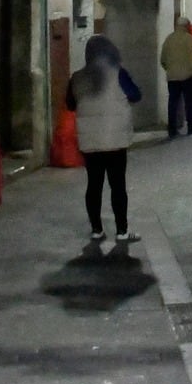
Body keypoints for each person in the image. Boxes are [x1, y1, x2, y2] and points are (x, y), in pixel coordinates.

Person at [66, 35, 140, 244]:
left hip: (90, 142)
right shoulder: (118, 73)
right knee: (118, 186)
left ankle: (97, 229)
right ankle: (122, 231)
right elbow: (135, 95)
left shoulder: (77, 78)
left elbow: (70, 104)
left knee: (94, 185)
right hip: (115, 140)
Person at [159, 15, 192, 137]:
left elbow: (162, 59)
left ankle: (172, 129)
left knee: (173, 102)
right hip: (187, 76)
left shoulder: (169, 39)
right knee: (190, 102)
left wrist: (169, 69)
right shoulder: (188, 39)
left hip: (172, 77)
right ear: (186, 26)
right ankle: (191, 127)